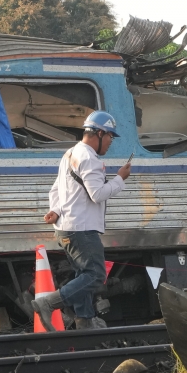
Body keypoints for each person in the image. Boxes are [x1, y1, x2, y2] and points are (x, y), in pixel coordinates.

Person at [33, 110, 132, 331]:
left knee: (83, 274)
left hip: (66, 227)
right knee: (96, 275)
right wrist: (120, 179)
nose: (111, 142)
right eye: (110, 136)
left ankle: (85, 321)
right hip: (82, 229)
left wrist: (55, 210)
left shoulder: (70, 154)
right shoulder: (89, 159)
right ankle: (48, 303)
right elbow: (97, 194)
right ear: (99, 133)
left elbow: (56, 189)